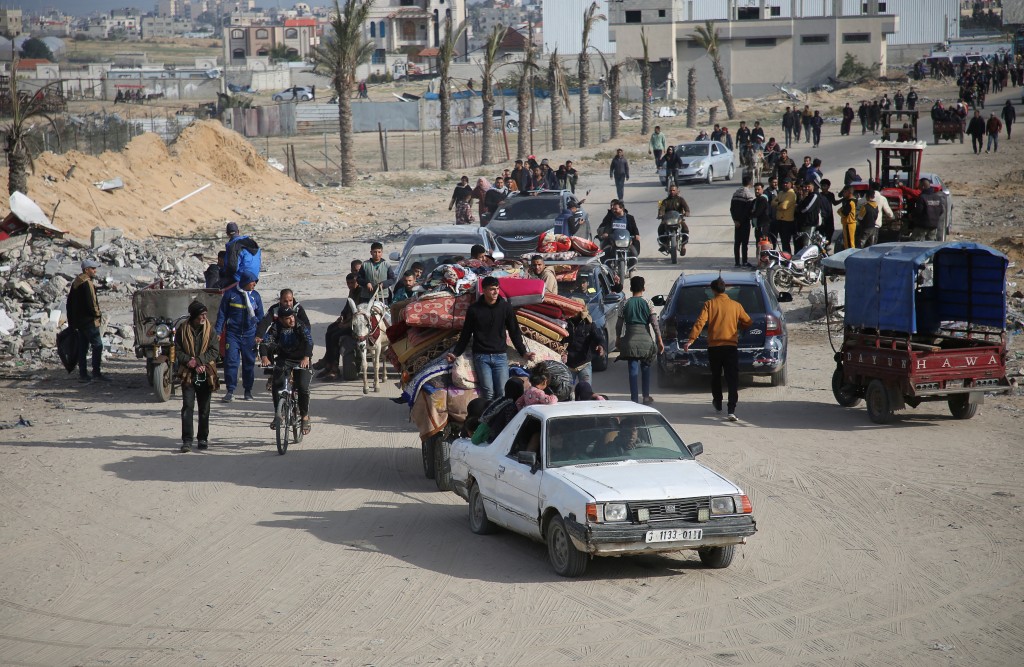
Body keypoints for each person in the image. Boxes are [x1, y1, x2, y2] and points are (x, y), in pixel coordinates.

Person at [447, 276, 535, 401]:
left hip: (500, 356)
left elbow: (514, 332)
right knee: (488, 392)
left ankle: (501, 419)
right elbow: (465, 334)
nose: (495, 292)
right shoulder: (474, 310)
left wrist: (524, 352)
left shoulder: (506, 308)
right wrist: (455, 353)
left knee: (502, 392)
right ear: (484, 290)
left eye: (497, 289)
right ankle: (488, 419)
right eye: (492, 289)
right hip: (481, 357)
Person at [683, 277, 752, 421]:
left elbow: (700, 322)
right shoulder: (736, 305)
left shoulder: (709, 304)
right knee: (732, 378)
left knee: (716, 376)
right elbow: (748, 321)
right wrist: (738, 327)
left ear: (713, 290)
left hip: (714, 347)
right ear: (724, 289)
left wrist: (691, 340)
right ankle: (731, 409)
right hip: (730, 346)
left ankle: (718, 403)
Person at [260, 307, 313, 436]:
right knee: (276, 384)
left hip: (302, 360)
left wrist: (306, 358)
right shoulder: (276, 327)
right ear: (282, 319)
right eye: (288, 318)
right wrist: (264, 357)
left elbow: (309, 341)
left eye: (292, 317)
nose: (292, 320)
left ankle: (305, 416)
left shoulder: (299, 325)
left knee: (302, 387)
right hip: (284, 360)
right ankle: (278, 413)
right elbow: (264, 343)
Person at [215, 270, 264, 402]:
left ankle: (248, 391)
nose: (254, 284)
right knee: (231, 362)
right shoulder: (230, 295)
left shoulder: (256, 297)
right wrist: (218, 331)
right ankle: (230, 391)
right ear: (245, 282)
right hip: (233, 334)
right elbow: (222, 315)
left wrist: (260, 334)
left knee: (249, 364)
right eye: (252, 282)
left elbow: (261, 317)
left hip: (250, 335)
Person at [176, 301, 218, 453]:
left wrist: (200, 361)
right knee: (188, 407)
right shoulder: (182, 330)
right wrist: (190, 361)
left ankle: (202, 438)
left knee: (204, 408)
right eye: (202, 315)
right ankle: (187, 440)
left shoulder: (209, 330)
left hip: (205, 372)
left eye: (205, 315)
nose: (204, 318)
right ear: (194, 316)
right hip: (188, 373)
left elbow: (214, 350)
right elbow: (177, 351)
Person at [615, 275, 664, 405]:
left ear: (630, 288)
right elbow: (654, 324)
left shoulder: (624, 303)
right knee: (646, 367)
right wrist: (659, 340)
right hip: (646, 341)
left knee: (632, 369)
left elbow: (619, 325)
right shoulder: (648, 303)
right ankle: (646, 396)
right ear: (643, 288)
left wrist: (618, 339)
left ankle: (634, 399)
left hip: (630, 341)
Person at [66, 258, 108, 383]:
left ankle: (83, 374)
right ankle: (96, 373)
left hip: (79, 321)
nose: (95, 271)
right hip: (89, 321)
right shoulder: (87, 283)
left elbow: (70, 304)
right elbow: (92, 303)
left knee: (83, 348)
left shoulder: (76, 282)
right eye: (93, 269)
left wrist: (73, 322)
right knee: (98, 345)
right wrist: (98, 315)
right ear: (86, 270)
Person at [313, 275, 358, 380]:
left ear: (357, 282)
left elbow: (359, 314)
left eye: (352, 283)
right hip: (347, 320)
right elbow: (347, 307)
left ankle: (334, 368)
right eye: (348, 283)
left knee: (335, 336)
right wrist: (342, 317)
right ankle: (328, 362)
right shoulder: (352, 292)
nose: (350, 285)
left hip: (355, 325)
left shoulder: (361, 292)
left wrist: (346, 324)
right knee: (330, 330)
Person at [472, 378, 526, 444]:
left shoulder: (500, 401)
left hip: (489, 438)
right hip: (499, 440)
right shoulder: (513, 406)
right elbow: (510, 428)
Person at [564, 309, 605, 386]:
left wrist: (601, 345)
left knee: (586, 391)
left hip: (584, 364)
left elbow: (598, 337)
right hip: (568, 364)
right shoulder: (564, 323)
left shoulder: (589, 324)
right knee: (567, 392)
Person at [730, 175, 755, 267]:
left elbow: (731, 208)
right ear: (750, 183)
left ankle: (737, 262)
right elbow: (747, 210)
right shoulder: (748, 195)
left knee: (737, 243)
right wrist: (741, 221)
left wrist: (735, 221)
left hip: (737, 222)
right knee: (744, 243)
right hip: (744, 222)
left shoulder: (735, 193)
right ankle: (744, 261)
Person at [656, 185, 690, 254]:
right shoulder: (665, 201)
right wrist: (660, 214)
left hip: (678, 219)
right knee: (660, 229)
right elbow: (662, 209)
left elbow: (686, 207)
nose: (672, 192)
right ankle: (664, 244)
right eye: (671, 190)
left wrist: (687, 212)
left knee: (685, 229)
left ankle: (683, 246)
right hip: (667, 220)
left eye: (674, 190)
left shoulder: (681, 200)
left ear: (677, 191)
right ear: (669, 191)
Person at [772, 179, 798, 253]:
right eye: (784, 183)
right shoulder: (781, 193)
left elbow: (784, 206)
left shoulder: (791, 194)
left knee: (786, 242)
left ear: (791, 184)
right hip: (779, 220)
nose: (785, 185)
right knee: (783, 242)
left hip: (787, 221)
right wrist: (779, 204)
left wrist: (778, 204)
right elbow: (772, 202)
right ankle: (785, 256)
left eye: (787, 183)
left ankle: (788, 257)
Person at [838, 186, 858, 251]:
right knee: (846, 241)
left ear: (849, 192)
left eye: (845, 192)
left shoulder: (850, 202)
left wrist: (839, 211)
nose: (843, 193)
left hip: (849, 224)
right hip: (847, 223)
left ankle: (850, 254)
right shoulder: (848, 201)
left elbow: (844, 213)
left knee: (849, 242)